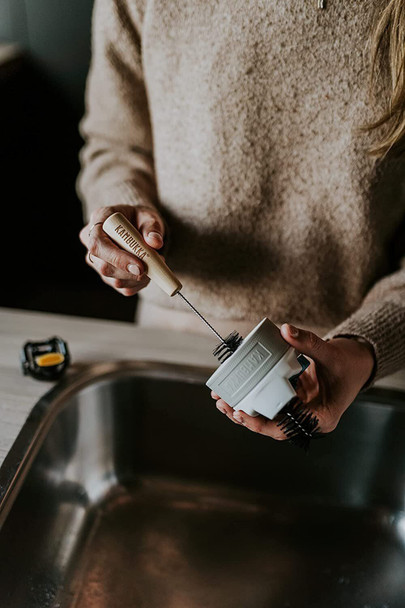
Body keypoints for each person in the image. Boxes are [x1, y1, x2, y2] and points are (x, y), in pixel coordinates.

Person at [78, 0, 405, 443]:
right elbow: (114, 145)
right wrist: (124, 206)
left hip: (356, 362)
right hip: (167, 342)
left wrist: (363, 348)